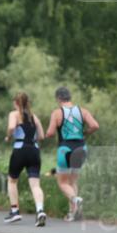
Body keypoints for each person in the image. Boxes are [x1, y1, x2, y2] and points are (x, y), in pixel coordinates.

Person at [45, 86, 99, 222]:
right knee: (72, 181)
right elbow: (95, 126)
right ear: (69, 97)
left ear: (58, 98)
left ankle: (75, 199)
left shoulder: (57, 113)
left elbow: (50, 133)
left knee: (63, 183)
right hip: (81, 148)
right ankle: (73, 213)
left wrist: (47, 135)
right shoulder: (83, 111)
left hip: (65, 149)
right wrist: (85, 133)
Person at [4, 92, 47, 226]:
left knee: (12, 180)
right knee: (35, 185)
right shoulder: (34, 117)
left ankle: (15, 211)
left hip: (20, 150)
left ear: (16, 103)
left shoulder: (14, 114)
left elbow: (11, 127)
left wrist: (8, 136)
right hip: (34, 151)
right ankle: (40, 211)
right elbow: (41, 136)